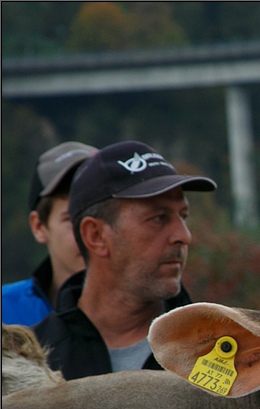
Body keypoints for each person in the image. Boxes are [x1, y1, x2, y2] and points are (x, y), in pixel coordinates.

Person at [34, 140, 216, 380]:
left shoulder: (218, 349)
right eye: (159, 218)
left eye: (183, 216)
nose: (184, 236)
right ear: (96, 236)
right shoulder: (32, 361)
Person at [2, 141, 97, 326]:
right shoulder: (5, 312)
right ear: (38, 226)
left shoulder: (152, 312)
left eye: (102, 217)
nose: (92, 235)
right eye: (73, 219)